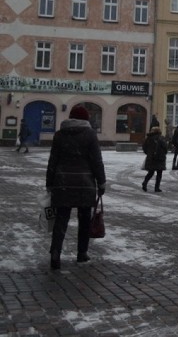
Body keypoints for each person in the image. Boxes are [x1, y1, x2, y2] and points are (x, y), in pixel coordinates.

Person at [45, 106, 106, 270]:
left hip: (62, 182)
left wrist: (49, 182)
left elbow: (53, 161)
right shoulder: (90, 135)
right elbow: (96, 161)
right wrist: (101, 182)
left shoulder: (59, 135)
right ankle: (81, 253)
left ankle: (55, 254)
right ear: (86, 119)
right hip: (84, 184)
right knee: (85, 220)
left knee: (61, 219)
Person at [141, 126, 168, 192]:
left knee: (150, 172)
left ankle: (145, 182)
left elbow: (144, 147)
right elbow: (165, 147)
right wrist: (163, 153)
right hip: (160, 158)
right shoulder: (161, 138)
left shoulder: (148, 138)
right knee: (159, 173)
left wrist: (149, 154)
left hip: (151, 158)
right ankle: (157, 188)